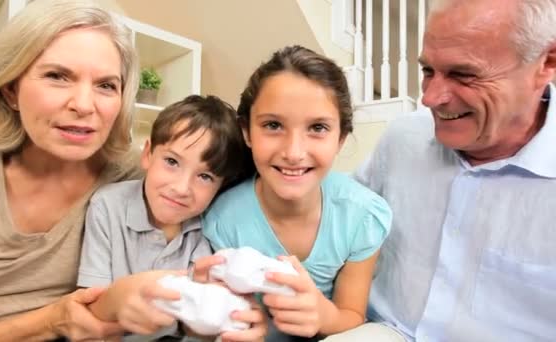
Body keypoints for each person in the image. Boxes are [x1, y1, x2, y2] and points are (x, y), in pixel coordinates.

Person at [350, 0, 556, 341]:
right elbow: (334, 223)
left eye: (464, 75)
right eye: (428, 70)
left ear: (546, 63)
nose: (430, 98)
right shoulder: (403, 139)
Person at [0, 0, 144, 340]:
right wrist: (49, 321)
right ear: (10, 89)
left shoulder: (136, 177)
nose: (84, 105)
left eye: (106, 85)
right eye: (57, 76)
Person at [203, 45, 393, 341]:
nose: (293, 153)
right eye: (273, 125)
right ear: (247, 131)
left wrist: (323, 315)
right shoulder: (223, 220)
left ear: (341, 138)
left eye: (317, 127)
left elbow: (352, 314)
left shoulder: (362, 216)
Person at [77, 94, 266, 341]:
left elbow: (197, 326)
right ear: (147, 155)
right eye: (171, 161)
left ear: (220, 187)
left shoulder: (207, 230)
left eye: (205, 177)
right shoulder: (108, 205)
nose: (181, 188)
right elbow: (89, 310)